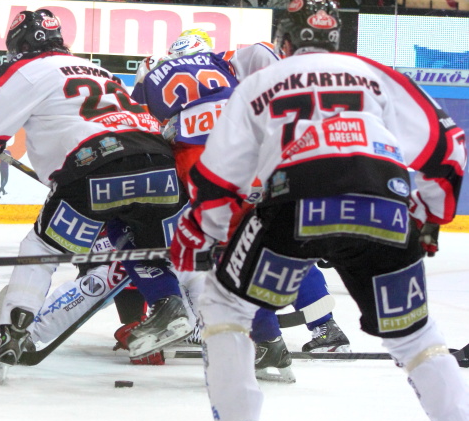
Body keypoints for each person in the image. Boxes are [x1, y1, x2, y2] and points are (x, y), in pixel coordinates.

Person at [170, 0, 469, 421]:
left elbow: (217, 182)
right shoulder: (374, 72)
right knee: (416, 337)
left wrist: (202, 237)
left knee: (227, 305)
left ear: (284, 42)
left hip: (296, 203)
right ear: (338, 40)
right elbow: (447, 145)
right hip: (383, 204)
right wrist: (430, 216)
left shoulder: (259, 83)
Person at [0, 9, 192, 377]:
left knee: (41, 248)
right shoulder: (96, 68)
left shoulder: (26, 69)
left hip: (96, 166)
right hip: (160, 164)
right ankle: (175, 306)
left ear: (19, 46)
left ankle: (15, 333)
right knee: (136, 241)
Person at [132, 29, 352, 378]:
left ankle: (256, 337)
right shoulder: (226, 61)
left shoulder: (158, 69)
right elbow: (266, 54)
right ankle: (324, 327)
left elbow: (140, 117)